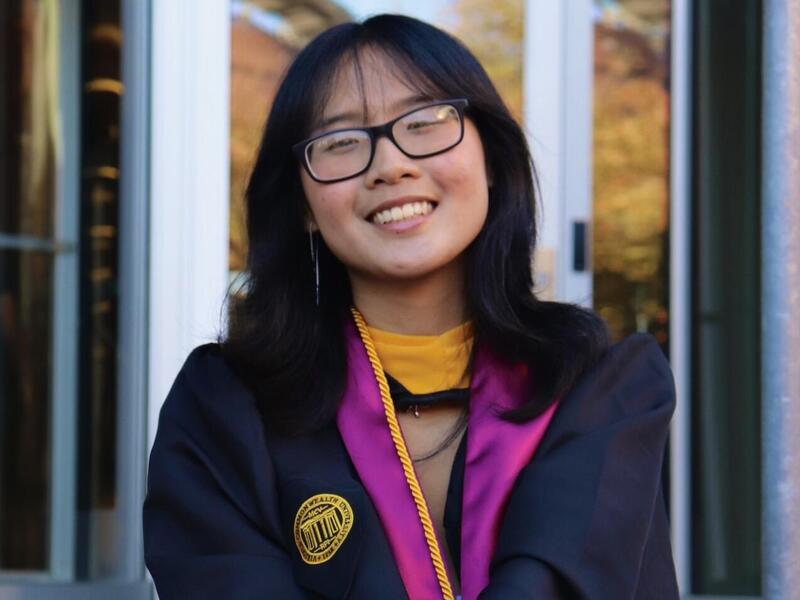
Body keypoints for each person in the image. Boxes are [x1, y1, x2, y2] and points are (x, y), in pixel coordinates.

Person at [143, 13, 678, 600]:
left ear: (492, 160)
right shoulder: (225, 410)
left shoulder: (597, 388)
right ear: (301, 204)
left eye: (424, 122)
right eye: (342, 141)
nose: (391, 165)